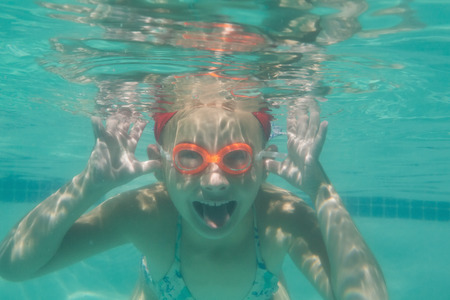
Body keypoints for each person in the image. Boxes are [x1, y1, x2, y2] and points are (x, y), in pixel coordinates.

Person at [0, 87, 388, 299]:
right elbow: (14, 266)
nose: (216, 182)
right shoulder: (149, 215)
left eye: (236, 157)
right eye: (189, 157)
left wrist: (322, 191)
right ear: (161, 170)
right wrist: (90, 185)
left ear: (263, 165)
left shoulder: (280, 218)